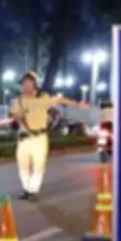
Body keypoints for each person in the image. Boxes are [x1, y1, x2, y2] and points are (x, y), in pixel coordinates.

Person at [11, 70, 88, 200]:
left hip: (39, 138)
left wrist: (77, 104)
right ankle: (26, 189)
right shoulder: (18, 101)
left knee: (38, 165)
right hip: (24, 138)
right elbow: (15, 116)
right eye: (24, 83)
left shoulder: (42, 99)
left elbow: (59, 99)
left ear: (35, 84)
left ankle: (33, 190)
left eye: (29, 82)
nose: (26, 85)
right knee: (23, 166)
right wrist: (20, 120)